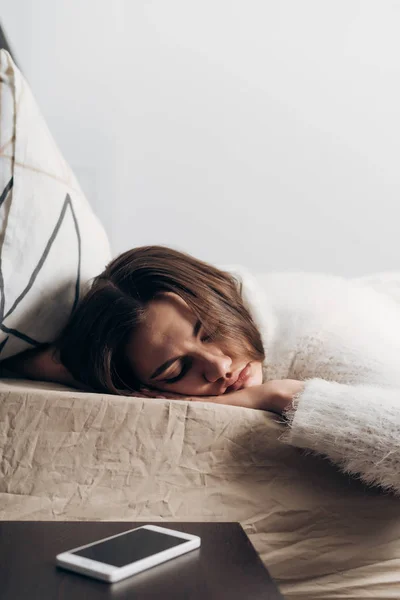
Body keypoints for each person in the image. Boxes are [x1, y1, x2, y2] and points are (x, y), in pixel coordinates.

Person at [4, 245, 400, 495]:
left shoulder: (323, 331)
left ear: (220, 298)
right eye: (177, 369)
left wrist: (279, 395)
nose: (220, 367)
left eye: (209, 331)